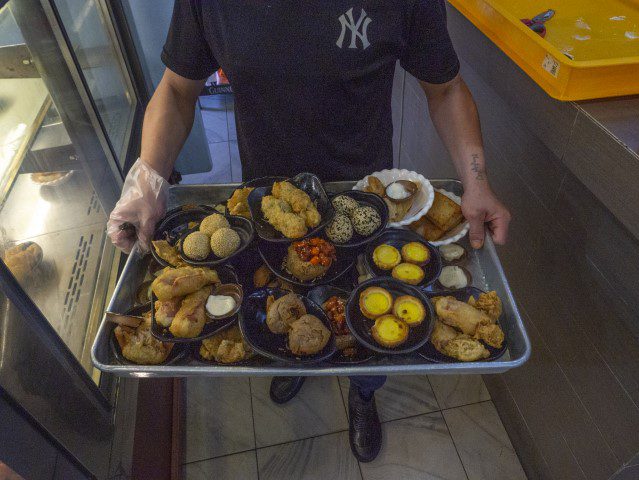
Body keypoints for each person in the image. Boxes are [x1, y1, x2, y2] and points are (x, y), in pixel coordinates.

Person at [107, 0, 511, 463]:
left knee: (369, 326)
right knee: (284, 310)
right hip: (267, 206)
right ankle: (295, 360)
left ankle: (363, 393)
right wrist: (148, 179)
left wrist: (476, 181)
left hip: (362, 205)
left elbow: (445, 90)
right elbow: (178, 90)